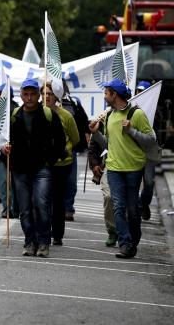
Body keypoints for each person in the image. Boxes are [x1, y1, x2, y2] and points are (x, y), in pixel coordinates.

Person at [89, 78, 156, 259]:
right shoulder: (109, 116)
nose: (104, 96)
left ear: (114, 94)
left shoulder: (137, 114)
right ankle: (125, 243)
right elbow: (110, 144)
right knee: (118, 206)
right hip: (114, 168)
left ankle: (134, 239)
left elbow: (151, 141)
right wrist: (95, 134)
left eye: (106, 93)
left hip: (134, 169)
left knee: (132, 209)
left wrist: (132, 131)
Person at [2, 79, 65, 257]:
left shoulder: (48, 114)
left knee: (41, 204)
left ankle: (44, 241)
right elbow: (3, 140)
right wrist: (5, 149)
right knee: (25, 208)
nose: (29, 98)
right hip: (20, 168)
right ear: (21, 95)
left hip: (42, 168)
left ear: (38, 95)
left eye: (33, 94)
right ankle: (29, 241)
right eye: (26, 94)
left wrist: (51, 159)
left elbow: (60, 140)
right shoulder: (13, 116)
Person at [42, 81, 79, 246]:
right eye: (44, 93)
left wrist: (65, 149)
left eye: (50, 93)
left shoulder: (66, 116)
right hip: (42, 164)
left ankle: (57, 234)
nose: (47, 96)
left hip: (62, 165)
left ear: (56, 96)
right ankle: (43, 232)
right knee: (43, 199)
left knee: (58, 201)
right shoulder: (37, 114)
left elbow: (75, 138)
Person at [61, 80, 90, 221]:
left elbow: (84, 123)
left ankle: (68, 208)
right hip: (47, 151)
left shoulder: (74, 104)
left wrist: (88, 137)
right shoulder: (43, 104)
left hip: (69, 149)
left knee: (70, 182)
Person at [0, 84, 19, 219]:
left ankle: (15, 208)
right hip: (1, 153)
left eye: (1, 93)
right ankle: (6, 209)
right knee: (3, 183)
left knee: (15, 183)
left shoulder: (17, 110)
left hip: (15, 153)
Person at [135, 80, 157, 221]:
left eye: (142, 91)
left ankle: (144, 205)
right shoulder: (131, 107)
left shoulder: (153, 110)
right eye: (138, 90)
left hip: (148, 152)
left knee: (149, 183)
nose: (139, 93)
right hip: (133, 152)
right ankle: (136, 208)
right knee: (133, 183)